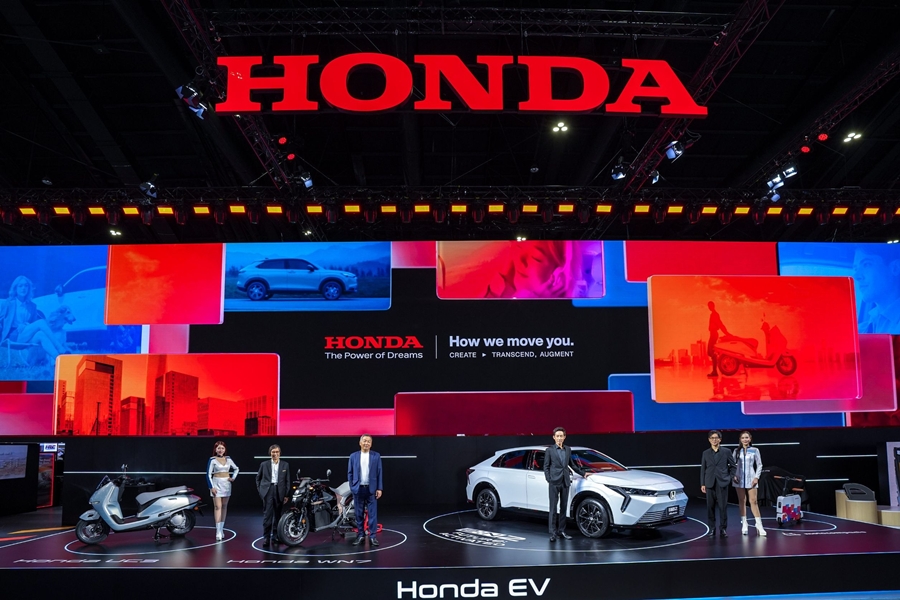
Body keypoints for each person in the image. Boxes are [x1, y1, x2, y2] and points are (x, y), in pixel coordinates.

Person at [0, 275, 70, 361]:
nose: (23, 288)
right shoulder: (8, 304)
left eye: (26, 286)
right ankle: (59, 347)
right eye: (20, 286)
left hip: (25, 335)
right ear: (16, 288)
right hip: (12, 336)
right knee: (41, 322)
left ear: (29, 288)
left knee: (41, 334)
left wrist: (26, 325)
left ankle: (59, 359)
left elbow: (33, 324)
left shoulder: (32, 306)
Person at [543, 427, 586, 542]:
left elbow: (572, 465)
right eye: (557, 436)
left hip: (565, 481)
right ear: (554, 437)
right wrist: (549, 479)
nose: (559, 438)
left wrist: (583, 473)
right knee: (553, 508)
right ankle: (553, 532)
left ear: (564, 437)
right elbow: (546, 466)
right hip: (554, 482)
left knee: (563, 507)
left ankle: (561, 530)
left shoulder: (568, 449)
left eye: (561, 436)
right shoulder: (549, 450)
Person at [853, 245, 900, 333]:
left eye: (866, 264)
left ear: (895, 268)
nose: (856, 276)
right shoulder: (862, 329)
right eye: (855, 269)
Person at [348, 434, 383, 547]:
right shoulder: (353, 456)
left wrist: (379, 488)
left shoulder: (376, 456)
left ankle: (372, 537)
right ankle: (361, 535)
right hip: (358, 489)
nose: (366, 443)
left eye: (368, 441)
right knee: (358, 514)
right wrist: (352, 486)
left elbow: (379, 473)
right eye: (364, 441)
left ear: (371, 444)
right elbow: (350, 473)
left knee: (372, 514)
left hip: (371, 489)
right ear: (360, 443)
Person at [700, 429, 735, 537]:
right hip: (709, 483)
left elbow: (733, 466)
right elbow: (703, 469)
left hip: (722, 483)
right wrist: (702, 483)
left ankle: (723, 529)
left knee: (722, 507)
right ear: (709, 440)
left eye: (716, 438)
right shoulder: (705, 453)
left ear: (720, 439)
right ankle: (712, 529)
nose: (714, 440)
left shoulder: (726, 451)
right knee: (710, 507)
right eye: (712, 438)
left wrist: (729, 478)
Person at [732, 431, 767, 536]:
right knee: (742, 501)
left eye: (746, 437)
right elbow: (733, 465)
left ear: (750, 439)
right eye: (743, 438)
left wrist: (756, 477)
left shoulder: (755, 450)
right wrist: (734, 475)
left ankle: (759, 525)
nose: (745, 439)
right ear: (740, 439)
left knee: (753, 501)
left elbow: (759, 464)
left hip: (751, 478)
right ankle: (744, 523)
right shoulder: (736, 451)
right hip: (738, 479)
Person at [255, 444, 290, 547]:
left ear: (280, 453)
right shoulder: (264, 464)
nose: (275, 454)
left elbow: (287, 480)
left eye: (277, 452)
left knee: (278, 515)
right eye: (273, 452)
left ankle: (276, 537)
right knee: (267, 516)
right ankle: (266, 537)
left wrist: (286, 494)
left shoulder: (285, 465)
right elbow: (258, 478)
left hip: (279, 491)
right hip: (268, 490)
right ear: (270, 453)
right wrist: (261, 491)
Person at [206, 441, 239, 541]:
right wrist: (211, 487)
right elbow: (208, 474)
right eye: (219, 448)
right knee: (217, 507)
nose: (220, 450)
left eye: (222, 448)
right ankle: (218, 531)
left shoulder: (228, 459)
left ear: (225, 450)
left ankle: (221, 529)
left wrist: (233, 477)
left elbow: (236, 468)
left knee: (224, 506)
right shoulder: (212, 460)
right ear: (215, 449)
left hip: (226, 484)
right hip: (216, 484)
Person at [706, 301, 730, 377]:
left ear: (713, 306)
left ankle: (715, 371)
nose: (709, 307)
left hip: (714, 334)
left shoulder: (715, 314)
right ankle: (716, 369)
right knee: (710, 352)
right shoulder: (712, 314)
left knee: (712, 352)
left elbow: (720, 324)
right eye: (708, 306)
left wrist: (726, 333)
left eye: (710, 306)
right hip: (712, 334)